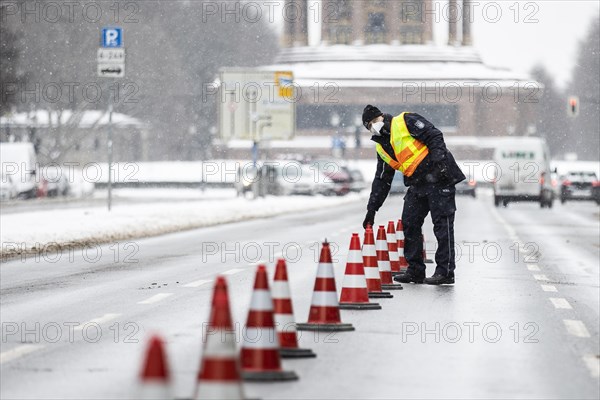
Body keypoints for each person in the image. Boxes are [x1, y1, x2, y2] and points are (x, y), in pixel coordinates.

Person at [361, 105, 466, 285]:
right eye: (370, 125)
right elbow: (381, 180)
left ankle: (445, 271)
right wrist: (372, 209)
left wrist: (439, 164)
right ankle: (415, 270)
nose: (374, 126)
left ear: (382, 117)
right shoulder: (382, 148)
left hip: (440, 178)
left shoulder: (405, 121)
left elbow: (435, 136)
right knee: (409, 223)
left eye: (375, 121)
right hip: (418, 184)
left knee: (442, 225)